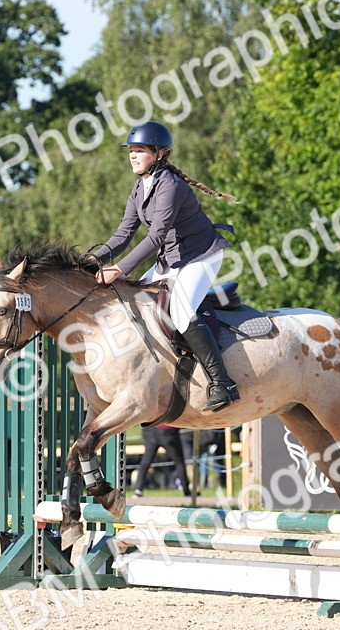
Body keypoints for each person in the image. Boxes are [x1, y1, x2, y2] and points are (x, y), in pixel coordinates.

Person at [91, 120, 240, 412]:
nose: (133, 156)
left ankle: (223, 384)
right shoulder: (139, 189)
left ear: (159, 154)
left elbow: (156, 236)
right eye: (131, 151)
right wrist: (94, 259)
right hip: (172, 259)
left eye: (140, 150)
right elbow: (123, 234)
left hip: (201, 257)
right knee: (139, 301)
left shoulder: (170, 186)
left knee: (181, 313)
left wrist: (119, 269)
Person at [134, 424, 191, 497]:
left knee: (146, 461)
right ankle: (186, 491)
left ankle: (138, 489)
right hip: (168, 430)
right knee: (179, 463)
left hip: (150, 430)